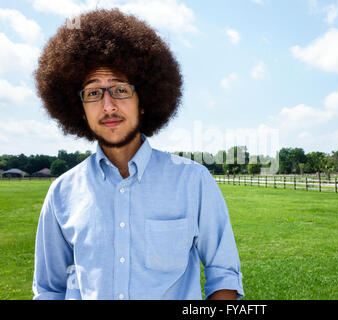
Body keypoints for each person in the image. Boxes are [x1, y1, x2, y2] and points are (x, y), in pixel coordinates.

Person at [32, 8, 244, 300]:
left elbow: (224, 274)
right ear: (79, 108)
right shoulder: (62, 193)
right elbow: (49, 290)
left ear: (144, 100)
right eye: (93, 93)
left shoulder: (193, 181)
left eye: (120, 89)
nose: (107, 106)